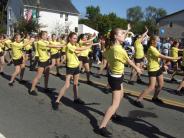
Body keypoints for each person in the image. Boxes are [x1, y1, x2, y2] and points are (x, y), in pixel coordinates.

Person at [97, 25, 142, 137]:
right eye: (121, 34)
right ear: (116, 37)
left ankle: (115, 114)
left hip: (115, 75)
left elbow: (104, 55)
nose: (124, 35)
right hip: (116, 78)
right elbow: (129, 61)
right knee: (114, 104)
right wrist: (137, 68)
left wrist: (127, 30)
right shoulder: (119, 50)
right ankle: (102, 126)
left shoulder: (110, 47)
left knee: (121, 95)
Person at [133, 36, 181, 108]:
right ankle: (138, 100)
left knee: (161, 84)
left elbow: (159, 58)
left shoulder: (154, 48)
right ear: (152, 41)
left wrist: (163, 65)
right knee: (151, 86)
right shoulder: (152, 48)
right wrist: (175, 58)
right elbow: (162, 56)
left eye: (159, 41)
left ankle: (155, 97)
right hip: (152, 69)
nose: (159, 42)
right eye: (157, 41)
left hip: (157, 68)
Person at [53, 32, 94, 110]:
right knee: (67, 85)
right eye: (74, 38)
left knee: (75, 84)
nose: (75, 40)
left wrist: (80, 52)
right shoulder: (69, 45)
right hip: (70, 67)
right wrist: (89, 46)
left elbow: (77, 52)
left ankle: (76, 99)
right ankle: (57, 100)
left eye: (76, 38)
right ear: (70, 38)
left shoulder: (73, 45)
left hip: (76, 66)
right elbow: (79, 49)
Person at [29, 31, 64, 96]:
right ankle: (32, 89)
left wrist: (59, 46)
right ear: (42, 36)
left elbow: (50, 46)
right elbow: (51, 46)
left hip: (47, 60)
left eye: (47, 35)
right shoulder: (39, 42)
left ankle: (45, 88)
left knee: (47, 75)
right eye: (45, 35)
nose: (47, 36)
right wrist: (62, 45)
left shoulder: (46, 41)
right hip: (42, 61)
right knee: (38, 76)